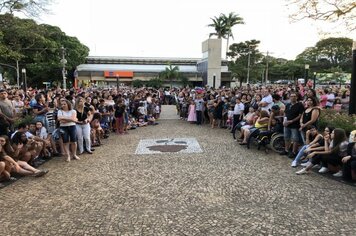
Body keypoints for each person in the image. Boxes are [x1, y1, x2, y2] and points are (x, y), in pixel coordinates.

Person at [281, 92, 304, 158]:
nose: (293, 97)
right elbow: (285, 113)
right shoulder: (288, 104)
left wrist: (292, 121)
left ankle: (294, 152)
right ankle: (286, 150)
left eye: (294, 96)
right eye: (291, 96)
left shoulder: (300, 105)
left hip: (295, 125)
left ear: (297, 97)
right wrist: (284, 121)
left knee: (295, 139)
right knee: (286, 137)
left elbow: (300, 115)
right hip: (287, 124)